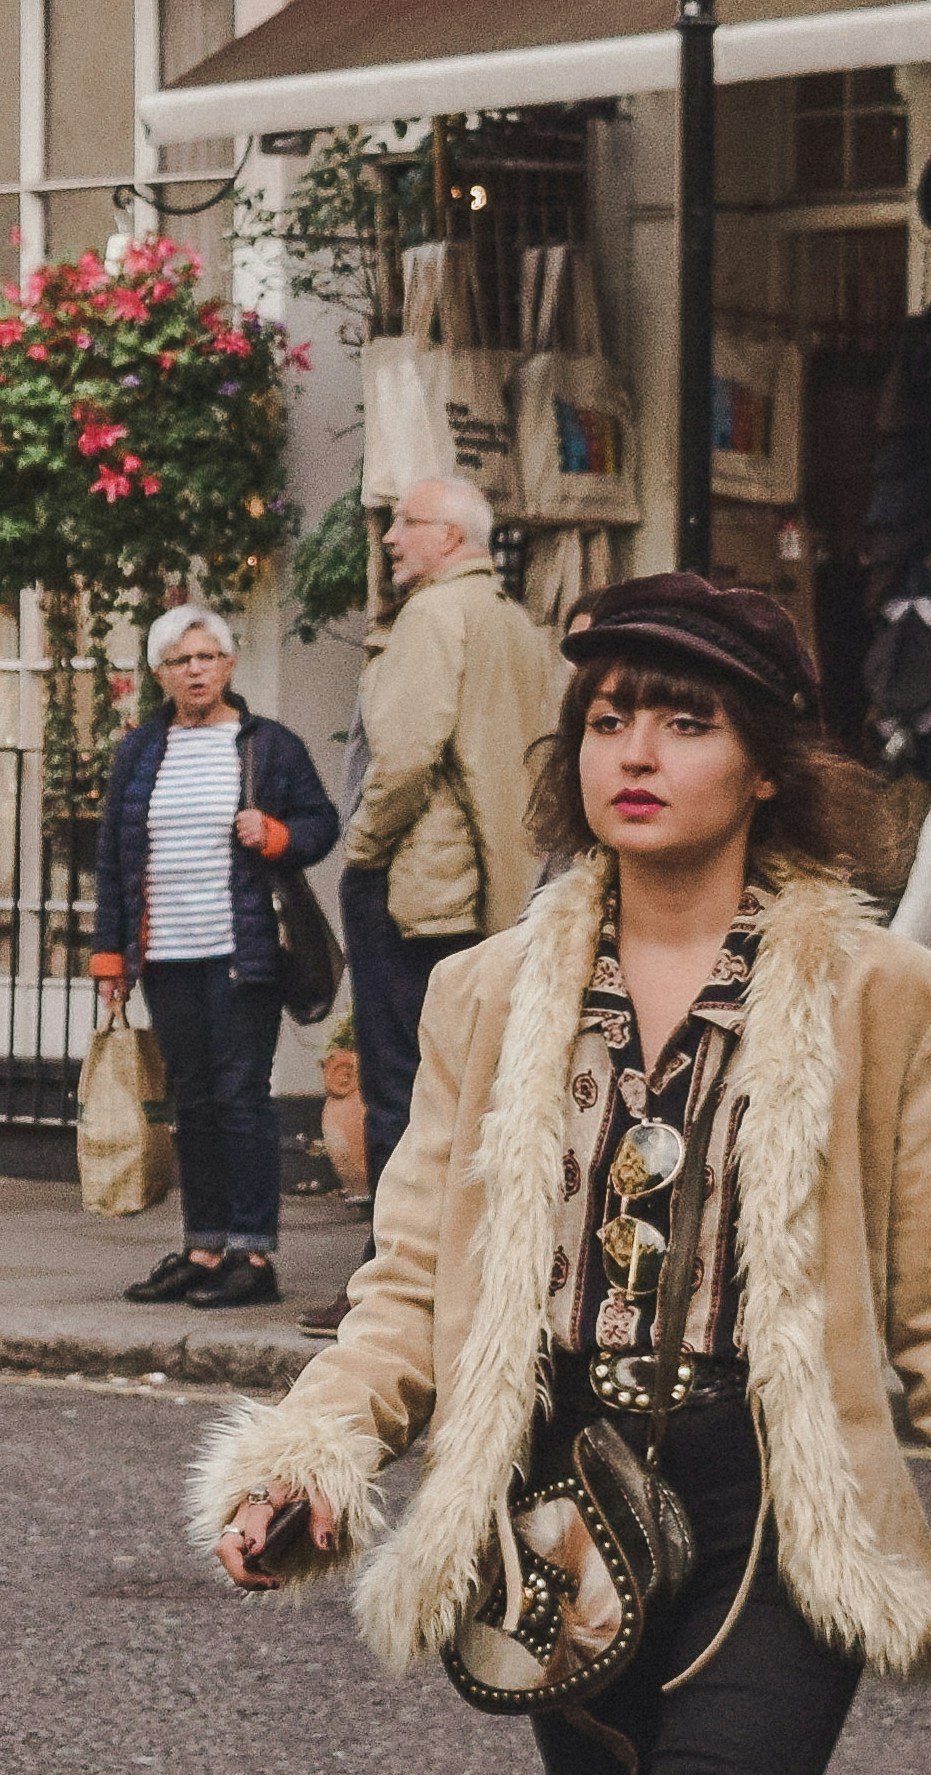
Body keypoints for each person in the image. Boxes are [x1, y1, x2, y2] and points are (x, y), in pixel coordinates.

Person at [196, 573, 931, 1775]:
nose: (636, 752)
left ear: (767, 761)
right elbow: (413, 1274)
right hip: (558, 1505)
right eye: (607, 719)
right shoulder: (480, 996)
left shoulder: (890, 1000)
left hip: (772, 1504)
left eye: (686, 720)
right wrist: (313, 1453)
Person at [310, 476, 568, 1337]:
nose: (387, 539)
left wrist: (362, 849)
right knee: (474, 1090)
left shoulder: (430, 616)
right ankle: (477, 1275)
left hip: (420, 888)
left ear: (453, 535)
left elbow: (408, 752)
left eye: (404, 524)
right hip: (491, 892)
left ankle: (389, 1292)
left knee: (402, 1089)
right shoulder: (520, 626)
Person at [95, 605, 339, 1309]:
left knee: (240, 1097)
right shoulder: (141, 750)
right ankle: (203, 1246)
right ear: (160, 674)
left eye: (206, 657)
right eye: (180, 660)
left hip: (244, 951)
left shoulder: (270, 747)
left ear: (228, 666)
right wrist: (111, 956)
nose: (195, 670)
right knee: (192, 1101)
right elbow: (114, 858)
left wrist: (275, 833)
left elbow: (321, 825)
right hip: (165, 953)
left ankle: (252, 1255)